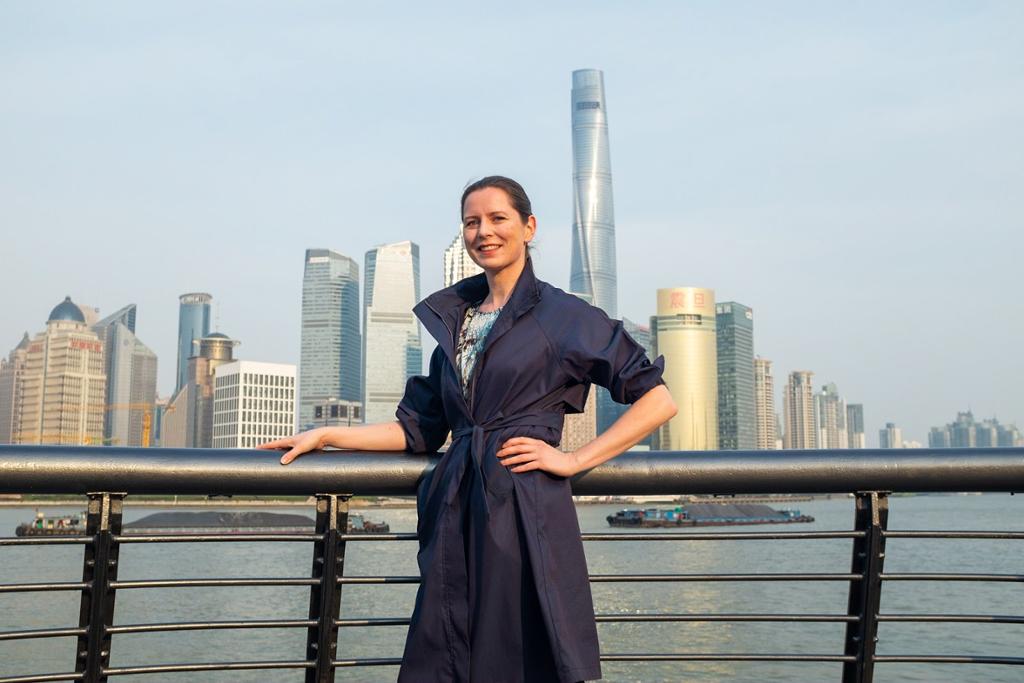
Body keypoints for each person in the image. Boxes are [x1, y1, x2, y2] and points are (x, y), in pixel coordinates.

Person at [260, 176, 677, 683]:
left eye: (498, 219)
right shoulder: (456, 324)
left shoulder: (562, 315)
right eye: (471, 222)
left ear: (529, 227)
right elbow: (417, 428)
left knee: (518, 655)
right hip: (456, 507)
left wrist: (571, 459)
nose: (483, 232)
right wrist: (325, 437)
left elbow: (657, 400)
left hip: (523, 509)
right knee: (442, 650)